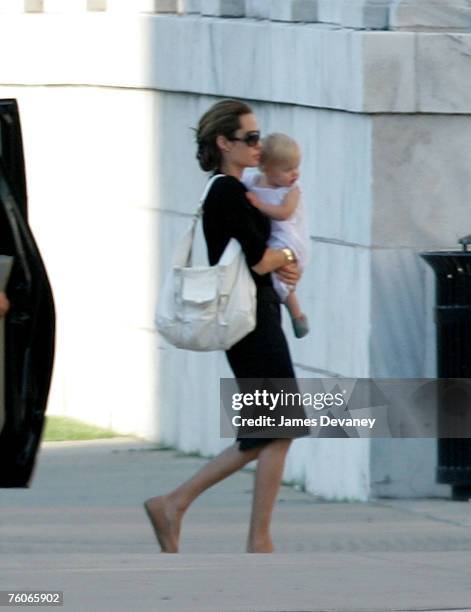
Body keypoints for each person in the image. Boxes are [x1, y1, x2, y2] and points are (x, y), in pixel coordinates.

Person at [144, 99, 308, 554]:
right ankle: (208, 517)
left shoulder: (236, 190)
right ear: (223, 143)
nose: (259, 146)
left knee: (274, 429)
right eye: (250, 139)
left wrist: (284, 262)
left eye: (259, 137)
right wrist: (291, 258)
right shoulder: (227, 193)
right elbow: (260, 259)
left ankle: (184, 507)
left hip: (257, 318)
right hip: (250, 323)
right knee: (275, 428)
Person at [243, 133, 310, 338]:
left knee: (282, 279)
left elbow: (284, 213)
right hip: (273, 238)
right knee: (275, 277)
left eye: (296, 167)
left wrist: (259, 205)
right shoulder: (252, 181)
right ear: (265, 168)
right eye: (288, 169)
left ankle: (297, 315)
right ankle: (294, 315)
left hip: (289, 239)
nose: (295, 174)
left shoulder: (291, 191)